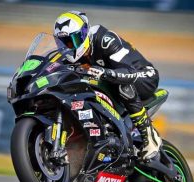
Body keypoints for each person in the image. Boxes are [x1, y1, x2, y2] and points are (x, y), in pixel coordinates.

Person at [53, 11, 162, 161]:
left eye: (71, 41)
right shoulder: (68, 56)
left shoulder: (105, 39)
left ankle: (149, 136)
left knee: (120, 83)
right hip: (113, 84)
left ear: (84, 34)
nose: (68, 46)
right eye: (62, 42)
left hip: (144, 76)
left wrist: (104, 72)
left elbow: (129, 71)